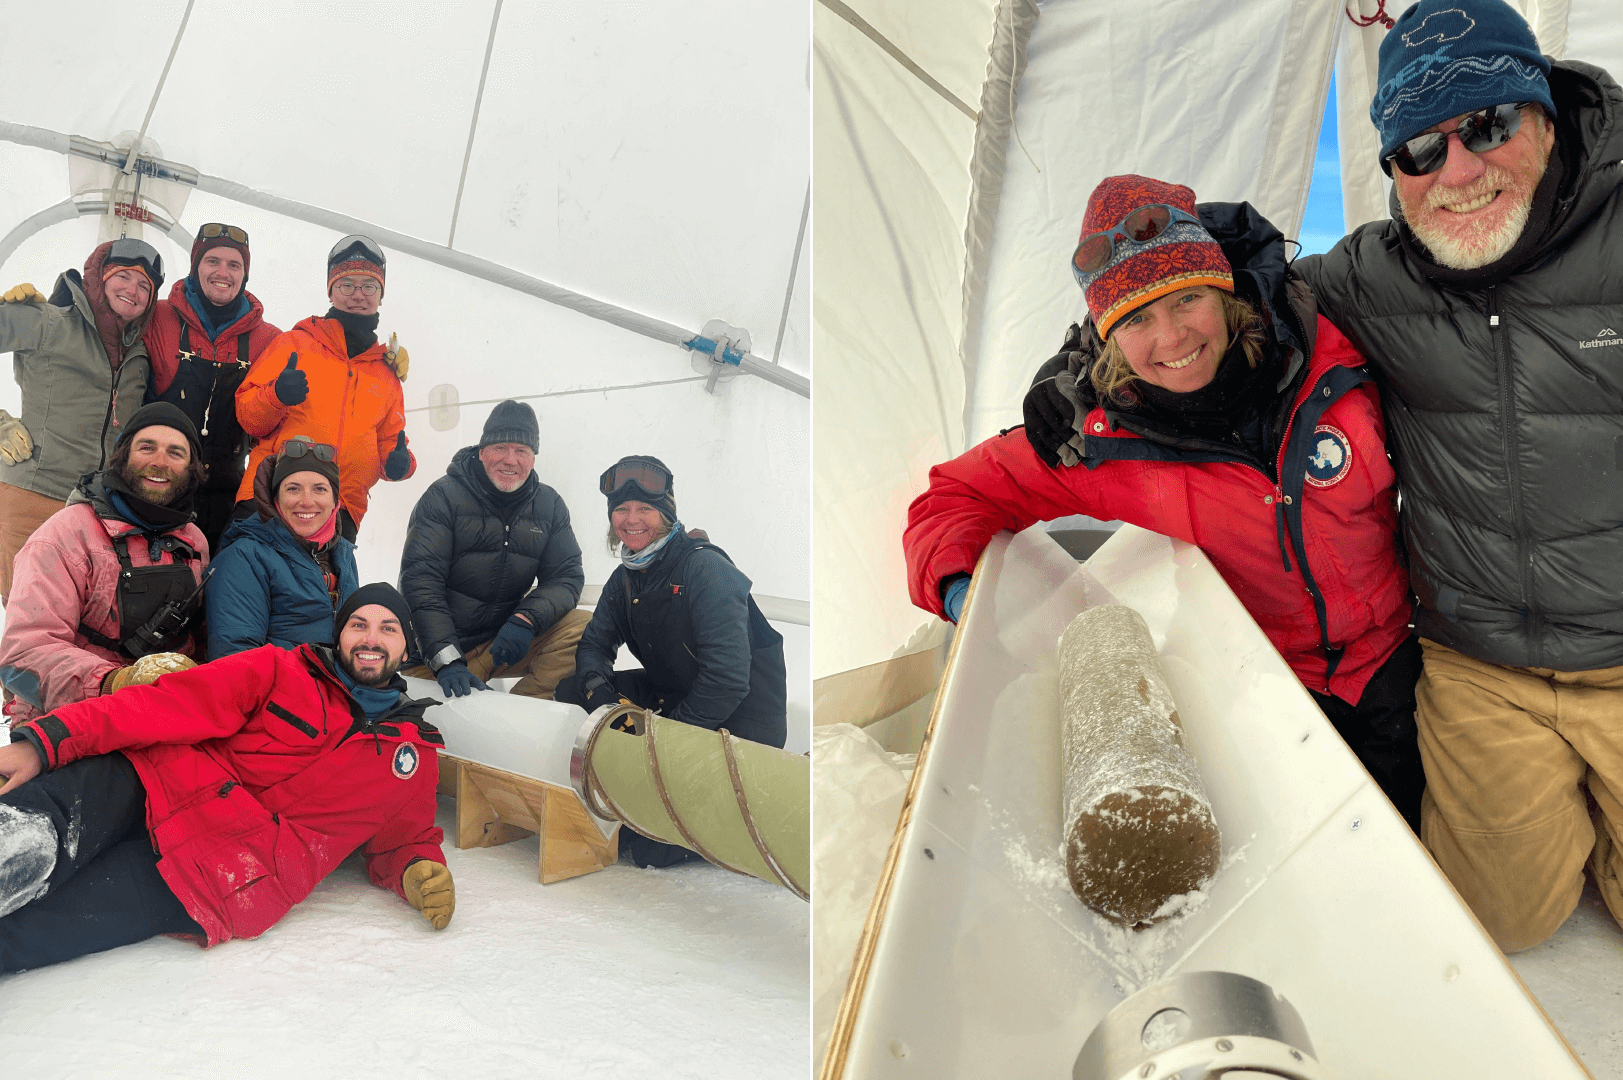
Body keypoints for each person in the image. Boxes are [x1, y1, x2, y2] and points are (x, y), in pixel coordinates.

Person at [1022, 0, 1623, 952]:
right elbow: (1219, 285)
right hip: (1480, 660)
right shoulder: (1366, 282)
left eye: (1489, 125)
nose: (1457, 170)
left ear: (1543, 111)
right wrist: (1073, 364)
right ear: (1390, 168)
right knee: (1493, 924)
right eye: (1419, 148)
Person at [925, 174, 1423, 831]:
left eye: (1186, 298)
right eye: (1135, 318)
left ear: (1226, 295)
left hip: (1397, 662)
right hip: (1260, 686)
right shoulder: (1096, 440)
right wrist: (958, 586)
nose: (1170, 337)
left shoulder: (1337, 355)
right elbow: (954, 494)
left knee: (1427, 859)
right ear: (1106, 336)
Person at [0, 584, 454, 973]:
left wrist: (418, 870)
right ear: (339, 636)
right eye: (358, 624)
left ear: (405, 648)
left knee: (40, 929)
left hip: (223, 874)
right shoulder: (281, 670)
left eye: (388, 628)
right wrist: (46, 741)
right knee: (37, 824)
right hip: (158, 784)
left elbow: (404, 839)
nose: (370, 638)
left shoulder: (411, 757)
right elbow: (164, 704)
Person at [556, 455, 788, 868]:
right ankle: (622, 782)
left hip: (741, 721)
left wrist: (664, 740)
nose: (632, 520)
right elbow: (593, 646)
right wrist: (605, 701)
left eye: (645, 508)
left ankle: (734, 811)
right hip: (676, 700)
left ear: (667, 514)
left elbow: (729, 679)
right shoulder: (626, 577)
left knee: (646, 849)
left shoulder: (705, 568)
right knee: (571, 690)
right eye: (621, 510)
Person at [0, 402, 209, 724]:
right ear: (122, 455)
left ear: (192, 468)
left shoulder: (193, 540)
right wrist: (116, 682)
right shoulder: (66, 534)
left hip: (161, 712)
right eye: (146, 448)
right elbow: (19, 661)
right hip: (67, 718)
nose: (159, 462)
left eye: (175, 453)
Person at [0, 238, 164, 601]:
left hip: (97, 510)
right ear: (99, 276)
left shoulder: (138, 355)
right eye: (123, 276)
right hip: (35, 496)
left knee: (82, 627)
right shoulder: (49, 321)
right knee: (34, 622)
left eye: (144, 287)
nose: (132, 291)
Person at [399, 400, 590, 699]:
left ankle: (523, 710)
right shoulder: (443, 497)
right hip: (435, 656)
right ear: (482, 451)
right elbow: (420, 583)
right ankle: (475, 707)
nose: (510, 460)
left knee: (582, 628)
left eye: (521, 451)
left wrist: (526, 619)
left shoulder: (549, 505)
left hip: (500, 644)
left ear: (533, 458)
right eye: (501, 448)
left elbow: (566, 577)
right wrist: (446, 660)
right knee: (445, 731)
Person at [232, 235, 414, 538]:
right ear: (331, 291)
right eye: (346, 285)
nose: (358, 294)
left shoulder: (387, 374)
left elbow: (391, 443)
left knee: (322, 588)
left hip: (340, 511)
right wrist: (276, 396)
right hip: (270, 497)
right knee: (242, 582)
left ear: (381, 295)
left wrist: (398, 465)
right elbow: (248, 416)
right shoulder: (294, 344)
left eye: (369, 286)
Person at [141, 223, 283, 553]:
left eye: (234, 265)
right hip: (157, 488)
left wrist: (384, 361)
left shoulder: (269, 340)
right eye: (212, 261)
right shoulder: (157, 316)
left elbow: (318, 372)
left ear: (245, 274)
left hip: (227, 496)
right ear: (196, 266)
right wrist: (69, 301)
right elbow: (109, 331)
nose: (223, 272)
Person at [205, 436, 358, 658]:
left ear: (335, 501)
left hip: (335, 689)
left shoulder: (342, 556)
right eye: (293, 489)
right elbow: (235, 662)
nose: (306, 501)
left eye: (319, 489)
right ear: (275, 498)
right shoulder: (244, 558)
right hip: (281, 690)